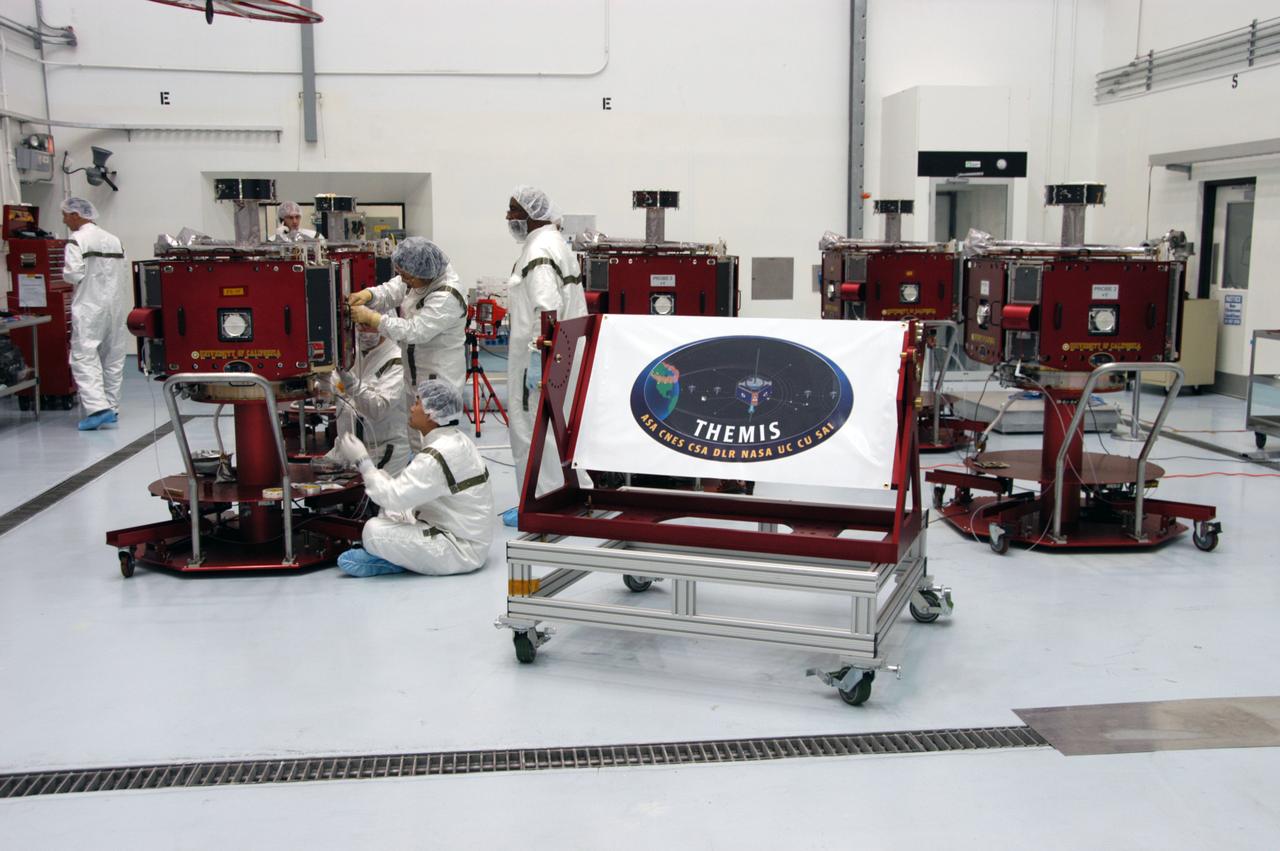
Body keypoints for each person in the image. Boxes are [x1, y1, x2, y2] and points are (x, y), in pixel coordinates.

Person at [332, 379, 494, 577]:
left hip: (458, 549)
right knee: (391, 511)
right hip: (463, 531)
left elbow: (394, 496)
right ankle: (403, 557)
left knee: (372, 531)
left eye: (417, 403)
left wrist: (363, 462)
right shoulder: (456, 439)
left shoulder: (435, 455)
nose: (411, 408)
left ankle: (394, 562)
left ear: (431, 414)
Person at [502, 185, 587, 526]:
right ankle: (558, 496)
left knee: (533, 430)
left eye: (514, 210)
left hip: (538, 359)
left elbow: (546, 304)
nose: (508, 218)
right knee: (557, 429)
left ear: (532, 214)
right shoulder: (553, 243)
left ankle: (542, 502)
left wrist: (541, 361)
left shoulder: (539, 250)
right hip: (559, 353)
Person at [346, 237, 466, 448]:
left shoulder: (447, 295)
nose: (403, 280)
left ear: (423, 273)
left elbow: (415, 331)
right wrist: (369, 294)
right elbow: (395, 289)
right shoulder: (418, 277)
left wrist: (374, 319)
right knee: (417, 442)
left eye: (407, 276)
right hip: (415, 374)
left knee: (437, 444)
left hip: (438, 377)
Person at [61, 197, 128, 431]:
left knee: (84, 356)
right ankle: (112, 406)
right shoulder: (114, 240)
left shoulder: (77, 239)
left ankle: (98, 409)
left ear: (76, 215)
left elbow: (72, 274)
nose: (63, 219)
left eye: (65, 215)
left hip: (90, 307)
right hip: (115, 306)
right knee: (113, 358)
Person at [323, 319, 410, 474]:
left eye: (368, 325)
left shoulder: (397, 362)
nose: (362, 331)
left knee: (377, 496)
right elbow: (335, 386)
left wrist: (350, 382)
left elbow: (378, 408)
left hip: (383, 452)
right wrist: (322, 385)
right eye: (357, 325)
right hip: (346, 450)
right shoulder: (352, 354)